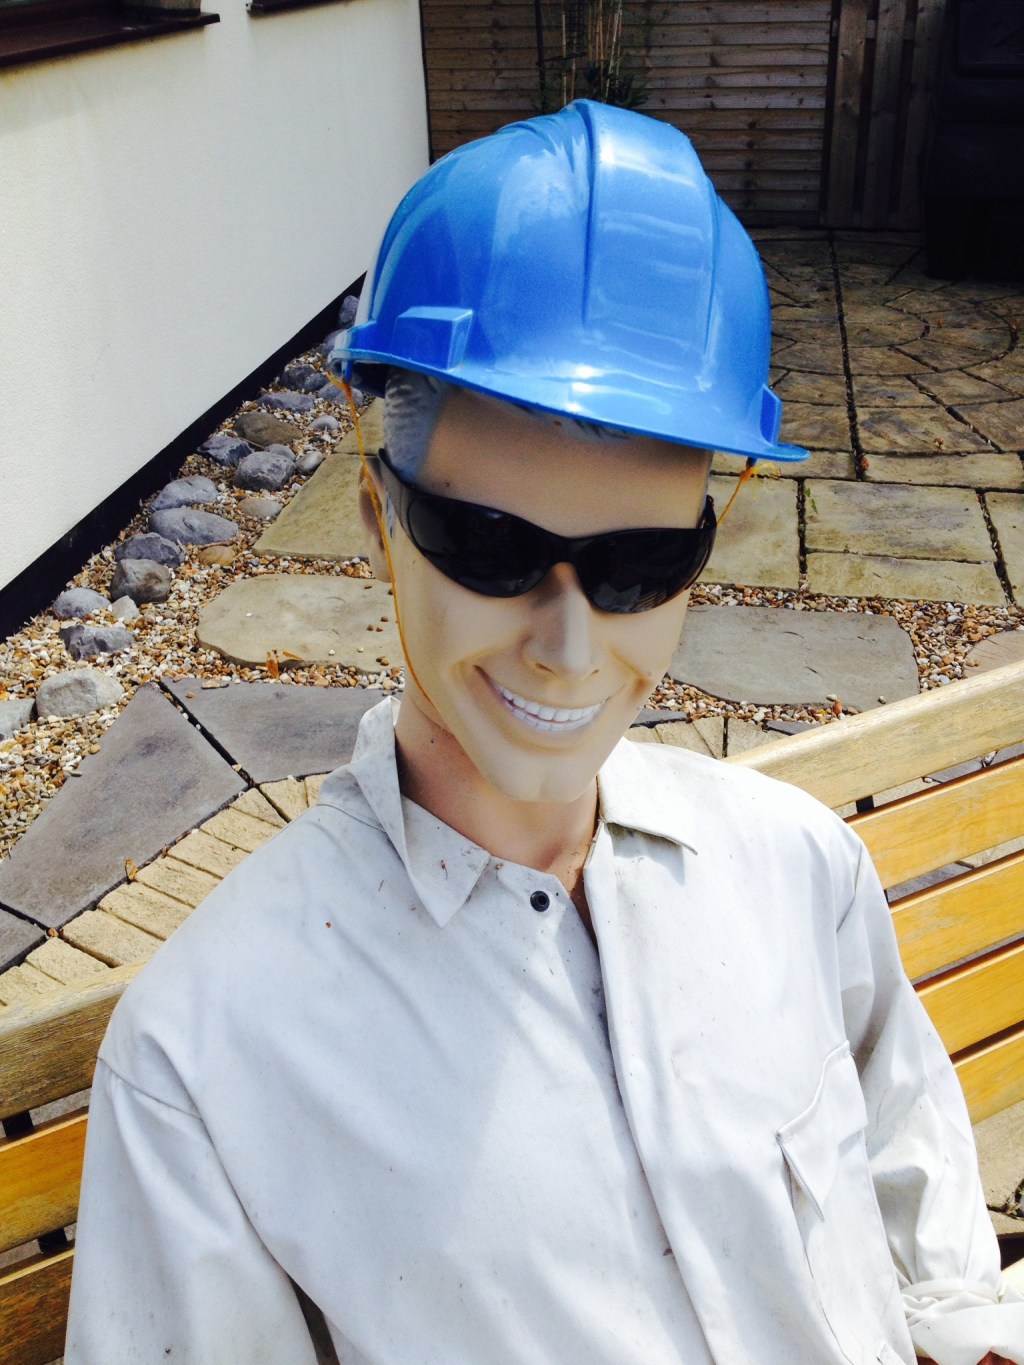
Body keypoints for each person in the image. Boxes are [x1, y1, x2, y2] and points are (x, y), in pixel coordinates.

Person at [65, 101, 1023, 1365]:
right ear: (378, 520)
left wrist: (961, 1326)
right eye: (488, 547)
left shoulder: (798, 866)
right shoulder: (209, 1055)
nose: (569, 648)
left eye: (640, 565)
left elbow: (900, 1140)